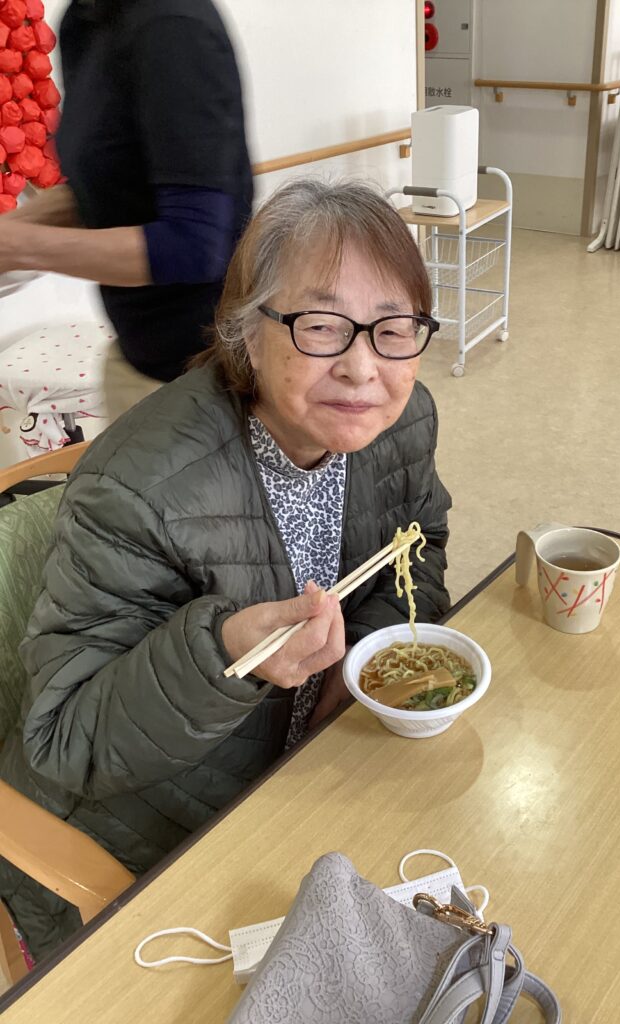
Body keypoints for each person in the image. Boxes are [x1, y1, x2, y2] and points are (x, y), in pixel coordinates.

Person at [0, 178, 451, 961]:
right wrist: (224, 656)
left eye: (393, 329)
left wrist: (354, 667)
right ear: (248, 330)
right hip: (149, 835)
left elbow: (420, 545)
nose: (363, 368)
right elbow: (66, 741)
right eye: (321, 326)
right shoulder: (136, 488)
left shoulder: (403, 420)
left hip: (314, 780)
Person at [0, 0, 254, 420]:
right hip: (139, 357)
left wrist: (16, 246)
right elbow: (103, 191)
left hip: (207, 380)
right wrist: (12, 234)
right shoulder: (88, 20)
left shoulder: (173, 27)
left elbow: (194, 245)